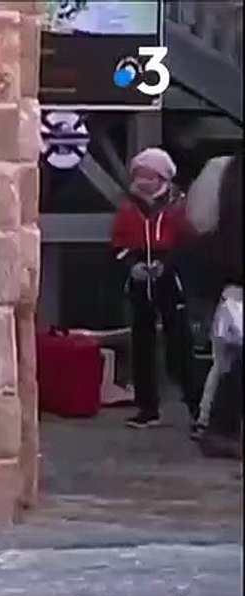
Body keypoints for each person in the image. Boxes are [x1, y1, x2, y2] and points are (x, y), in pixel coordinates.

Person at [109, 147, 198, 429]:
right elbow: (117, 244)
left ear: (162, 177)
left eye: (148, 174)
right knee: (142, 345)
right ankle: (147, 409)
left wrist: (168, 266)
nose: (142, 180)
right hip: (139, 281)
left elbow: (189, 245)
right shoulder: (127, 208)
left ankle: (197, 407)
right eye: (138, 174)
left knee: (179, 346)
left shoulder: (179, 207)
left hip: (170, 281)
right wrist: (130, 266)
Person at [183, 154, 243, 457]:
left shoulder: (223, 169)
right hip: (234, 281)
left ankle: (213, 424)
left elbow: (199, 221)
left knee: (227, 360)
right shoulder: (224, 169)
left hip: (232, 279)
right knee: (230, 359)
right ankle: (218, 427)